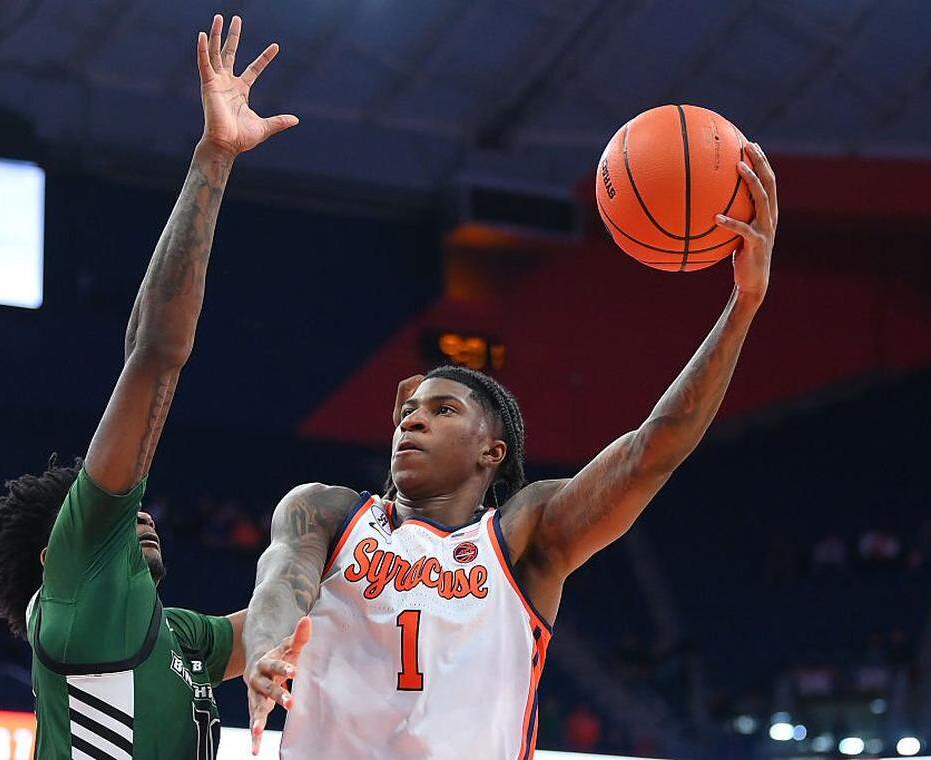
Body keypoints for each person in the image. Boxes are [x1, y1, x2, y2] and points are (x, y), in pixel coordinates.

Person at [242, 146, 780, 757]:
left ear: (491, 452)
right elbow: (279, 583)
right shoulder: (329, 512)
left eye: (443, 410)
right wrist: (266, 650)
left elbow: (650, 450)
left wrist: (743, 306)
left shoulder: (523, 539)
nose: (413, 420)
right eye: (410, 410)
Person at [0, 15, 298, 759]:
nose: (139, 515)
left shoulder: (172, 634)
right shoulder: (81, 591)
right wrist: (214, 158)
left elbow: (279, 623)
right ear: (66, 554)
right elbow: (153, 356)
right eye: (115, 520)